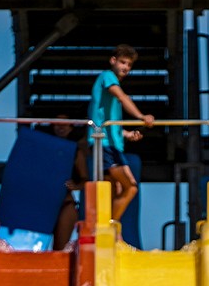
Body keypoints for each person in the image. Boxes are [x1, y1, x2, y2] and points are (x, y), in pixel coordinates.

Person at [87, 44, 154, 224]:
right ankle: (109, 228)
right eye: (123, 62)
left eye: (129, 65)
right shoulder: (107, 77)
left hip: (113, 144)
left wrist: (127, 134)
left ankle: (110, 230)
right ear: (113, 61)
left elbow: (108, 122)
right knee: (130, 187)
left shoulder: (110, 91)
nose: (125, 67)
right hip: (105, 145)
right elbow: (122, 97)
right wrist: (141, 117)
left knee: (117, 189)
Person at [46, 115, 89, 249]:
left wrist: (75, 186)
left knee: (59, 250)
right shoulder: (42, 149)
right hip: (42, 203)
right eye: (57, 124)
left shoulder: (75, 151)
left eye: (65, 124)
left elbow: (85, 179)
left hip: (65, 203)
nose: (61, 127)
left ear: (71, 128)